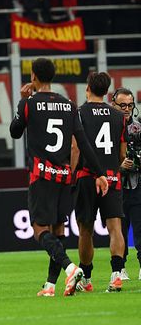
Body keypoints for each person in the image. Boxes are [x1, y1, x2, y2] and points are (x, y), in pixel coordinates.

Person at [9, 58, 109, 297]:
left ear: (33, 76)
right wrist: (101, 173)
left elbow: (14, 132)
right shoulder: (69, 105)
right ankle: (50, 285)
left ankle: (71, 268)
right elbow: (83, 144)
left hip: (41, 175)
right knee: (59, 230)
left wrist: (23, 100)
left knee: (39, 229)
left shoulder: (29, 104)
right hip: (64, 177)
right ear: (52, 76)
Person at [71, 72, 128, 293]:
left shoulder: (79, 113)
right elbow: (123, 154)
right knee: (115, 227)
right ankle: (116, 275)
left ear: (88, 88)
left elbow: (75, 147)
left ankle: (85, 277)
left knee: (85, 230)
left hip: (87, 177)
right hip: (112, 177)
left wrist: (72, 172)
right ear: (107, 91)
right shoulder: (118, 116)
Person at [112, 87, 141, 280]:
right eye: (122, 105)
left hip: (138, 184)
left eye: (130, 105)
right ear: (113, 103)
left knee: (140, 228)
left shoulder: (139, 128)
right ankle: (119, 268)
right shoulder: (108, 126)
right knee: (119, 230)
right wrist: (119, 166)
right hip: (117, 186)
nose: (127, 109)